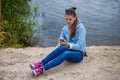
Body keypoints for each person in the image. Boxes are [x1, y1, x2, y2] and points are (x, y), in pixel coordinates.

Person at [30, 6, 86, 76]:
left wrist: (68, 44)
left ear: (75, 18)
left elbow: (80, 46)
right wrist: (61, 44)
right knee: (62, 48)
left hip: (78, 54)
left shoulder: (81, 28)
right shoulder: (65, 28)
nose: (68, 21)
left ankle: (43, 69)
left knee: (65, 53)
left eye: (70, 19)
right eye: (66, 19)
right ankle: (41, 63)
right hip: (68, 50)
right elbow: (60, 45)